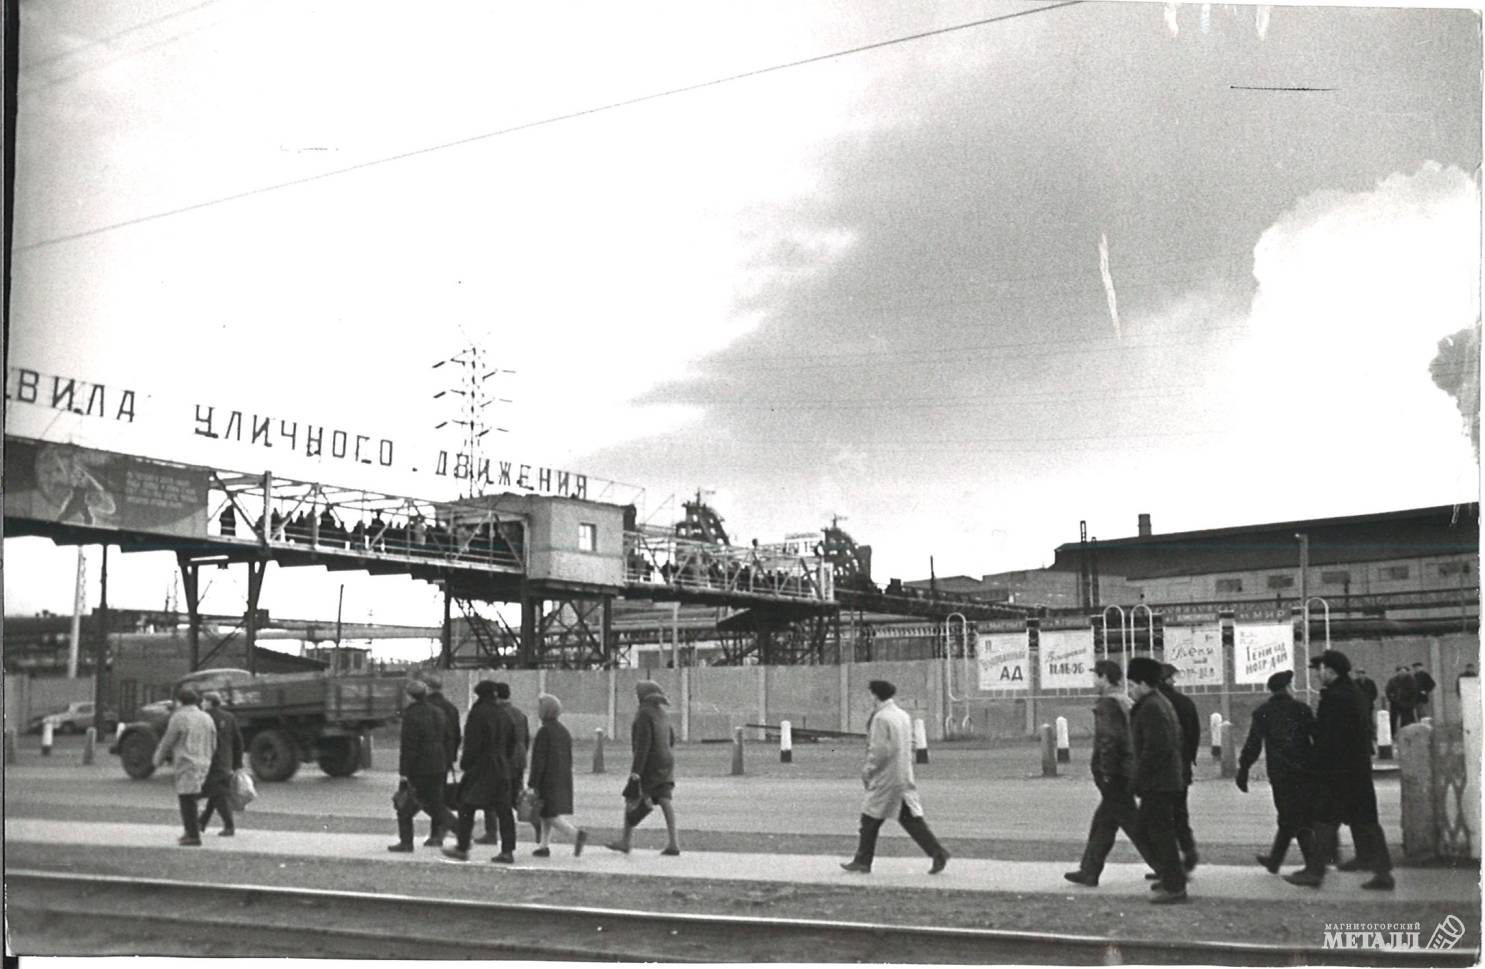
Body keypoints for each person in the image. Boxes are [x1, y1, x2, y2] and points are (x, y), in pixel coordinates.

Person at [1284, 649, 1395, 891]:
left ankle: (1314, 872)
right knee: (1366, 821)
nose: (1316, 674)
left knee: (1325, 819)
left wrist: (1311, 740)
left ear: (1330, 670)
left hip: (1338, 771)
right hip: (1357, 768)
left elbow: (1329, 737)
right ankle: (1383, 873)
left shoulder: (1335, 698)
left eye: (1319, 669)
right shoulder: (1354, 691)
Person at [839, 679, 949, 875]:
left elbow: (880, 749)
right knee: (909, 819)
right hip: (902, 774)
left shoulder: (881, 718)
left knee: (870, 818)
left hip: (886, 777)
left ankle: (863, 860)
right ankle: (937, 852)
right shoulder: (902, 715)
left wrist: (869, 769)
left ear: (874, 694)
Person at [1064, 660, 1154, 887]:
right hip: (1126, 769)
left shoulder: (1107, 704)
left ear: (1104, 677)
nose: (1093, 681)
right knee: (1104, 823)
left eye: (1096, 676)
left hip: (1115, 774)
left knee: (1132, 824)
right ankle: (1089, 870)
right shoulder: (1125, 700)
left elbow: (1109, 738)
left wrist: (1106, 770)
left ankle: (1166, 866)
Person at [1237, 670, 1317, 873]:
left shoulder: (1263, 712)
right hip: (1304, 772)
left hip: (1279, 773)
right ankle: (1291, 862)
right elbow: (1317, 738)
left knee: (1288, 815)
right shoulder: (1302, 709)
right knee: (1300, 817)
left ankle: (1281, 861)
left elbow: (1253, 744)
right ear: (1288, 687)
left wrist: (1244, 768)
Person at [1126, 657, 1188, 903]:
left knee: (1158, 833)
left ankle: (1175, 886)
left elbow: (1155, 748)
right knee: (1150, 829)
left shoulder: (1152, 707)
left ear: (1143, 683)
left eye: (1132, 684)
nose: (1129, 689)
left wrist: (1137, 778)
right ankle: (1170, 876)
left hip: (1158, 782)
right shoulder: (1159, 703)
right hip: (1165, 779)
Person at [443, 679, 519, 863]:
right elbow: (512, 742)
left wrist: (466, 764)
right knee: (504, 810)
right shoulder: (505, 714)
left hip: (481, 766)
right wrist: (504, 761)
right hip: (501, 766)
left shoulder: (477, 714)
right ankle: (507, 850)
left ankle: (462, 846)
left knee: (466, 805)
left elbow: (472, 743)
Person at [607, 680, 681, 856]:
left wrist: (636, 773)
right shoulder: (662, 714)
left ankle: (626, 840)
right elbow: (671, 739)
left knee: (632, 798)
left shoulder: (643, 714)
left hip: (650, 763)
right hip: (666, 761)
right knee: (664, 800)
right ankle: (673, 842)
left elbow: (642, 746)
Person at [389, 680, 453, 853]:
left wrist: (404, 773)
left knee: (405, 805)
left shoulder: (411, 715)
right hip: (438, 763)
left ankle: (406, 842)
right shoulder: (438, 712)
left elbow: (409, 746)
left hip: (419, 765)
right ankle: (461, 830)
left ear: (410, 697)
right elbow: (448, 737)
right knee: (436, 803)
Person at [151, 687, 217, 847]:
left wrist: (157, 760)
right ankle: (191, 830)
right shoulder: (206, 717)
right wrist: (209, 756)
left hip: (187, 761)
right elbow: (214, 741)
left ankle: (193, 835)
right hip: (204, 760)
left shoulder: (179, 717)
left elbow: (168, 740)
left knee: (186, 799)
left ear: (179, 701)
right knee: (193, 797)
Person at [526, 692, 588, 857]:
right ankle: (543, 845)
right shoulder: (563, 731)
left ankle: (575, 835)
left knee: (548, 813)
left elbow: (538, 760)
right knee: (547, 812)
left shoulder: (544, 732)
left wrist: (533, 783)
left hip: (547, 779)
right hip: (561, 776)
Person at [1157, 663, 1201, 873]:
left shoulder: (1156, 703)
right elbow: (1194, 734)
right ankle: (1188, 851)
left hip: (1162, 768)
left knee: (1162, 817)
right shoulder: (1184, 702)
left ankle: (1169, 865)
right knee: (1179, 812)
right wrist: (1189, 758)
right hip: (1182, 765)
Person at [478, 682, 532, 845]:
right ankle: (535, 821)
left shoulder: (496, 714)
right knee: (515, 796)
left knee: (491, 796)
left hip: (501, 759)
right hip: (519, 759)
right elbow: (526, 738)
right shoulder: (520, 714)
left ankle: (491, 833)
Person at [197, 690, 244, 837]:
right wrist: (237, 763)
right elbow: (238, 741)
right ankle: (201, 822)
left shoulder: (204, 718)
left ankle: (229, 826)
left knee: (217, 793)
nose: (201, 704)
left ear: (209, 703)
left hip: (210, 761)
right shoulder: (229, 717)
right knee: (215, 791)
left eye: (203, 701)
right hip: (226, 761)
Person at [1384, 666, 1418, 736]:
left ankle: (1406, 734)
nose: (1402, 673)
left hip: (1407, 703)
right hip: (1395, 703)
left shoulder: (1411, 680)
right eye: (1400, 672)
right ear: (1397, 672)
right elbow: (1388, 691)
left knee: (1407, 720)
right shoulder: (1392, 680)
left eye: (1403, 672)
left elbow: (1414, 692)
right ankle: (1392, 734)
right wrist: (1392, 699)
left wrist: (1411, 703)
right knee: (1393, 719)